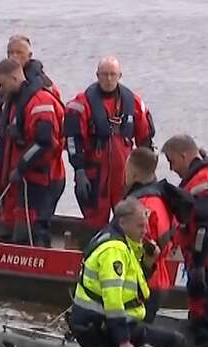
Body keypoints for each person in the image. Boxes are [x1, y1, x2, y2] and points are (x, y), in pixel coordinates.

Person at [70, 197, 184, 347]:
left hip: (98, 323)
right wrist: (123, 341)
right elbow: (113, 300)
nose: (145, 231)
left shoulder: (117, 240)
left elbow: (131, 288)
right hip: (98, 328)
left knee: (157, 333)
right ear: (123, 223)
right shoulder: (115, 250)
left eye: (145, 225)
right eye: (140, 226)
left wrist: (148, 263)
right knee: (176, 341)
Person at [0, 35, 60, 230]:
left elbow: (48, 138)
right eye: (10, 53)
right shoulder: (8, 86)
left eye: (19, 53)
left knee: (32, 224)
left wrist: (23, 165)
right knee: (3, 217)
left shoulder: (43, 92)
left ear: (30, 55)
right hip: (10, 158)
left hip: (37, 169)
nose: (14, 57)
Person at [160, 134, 208, 347]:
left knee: (205, 323)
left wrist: (199, 265)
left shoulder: (202, 181)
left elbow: (207, 226)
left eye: (171, 161)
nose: (171, 168)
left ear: (184, 156)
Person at [65, 56, 155, 229]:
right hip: (95, 176)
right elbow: (73, 141)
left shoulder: (134, 102)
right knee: (94, 224)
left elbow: (145, 139)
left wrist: (148, 173)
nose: (108, 79)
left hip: (125, 177)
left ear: (119, 75)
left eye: (112, 74)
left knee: (129, 221)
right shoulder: (80, 104)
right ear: (97, 75)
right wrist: (79, 170)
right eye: (104, 74)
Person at [0, 58, 66, 247]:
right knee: (8, 229)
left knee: (32, 231)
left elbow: (45, 143)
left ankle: (42, 269)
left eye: (2, 84)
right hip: (22, 181)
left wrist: (21, 167)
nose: (1, 89)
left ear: (15, 77)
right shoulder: (15, 103)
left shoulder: (40, 103)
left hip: (42, 179)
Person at [123, 147, 183, 294]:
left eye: (127, 170)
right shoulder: (162, 198)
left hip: (145, 280)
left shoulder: (141, 206)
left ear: (134, 174)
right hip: (160, 276)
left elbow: (140, 246)